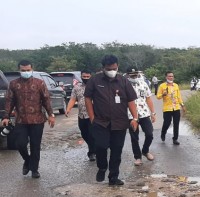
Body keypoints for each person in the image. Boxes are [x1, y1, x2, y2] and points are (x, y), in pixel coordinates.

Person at [84, 55, 139, 186]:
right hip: (100, 122)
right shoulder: (95, 80)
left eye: (114, 68)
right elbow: (87, 98)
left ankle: (113, 177)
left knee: (116, 150)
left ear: (117, 66)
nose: (112, 71)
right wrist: (92, 117)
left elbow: (131, 100)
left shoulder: (123, 81)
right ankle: (102, 167)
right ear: (103, 68)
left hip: (120, 123)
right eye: (109, 69)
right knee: (101, 147)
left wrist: (135, 118)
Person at [2, 60, 56, 179]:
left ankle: (34, 169)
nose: (25, 72)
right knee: (20, 144)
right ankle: (27, 160)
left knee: (35, 145)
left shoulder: (39, 83)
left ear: (31, 69)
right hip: (21, 120)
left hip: (37, 120)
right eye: (23, 70)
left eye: (27, 70)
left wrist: (51, 115)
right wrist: (6, 116)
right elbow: (9, 101)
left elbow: (46, 100)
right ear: (19, 70)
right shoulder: (13, 84)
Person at [125, 67, 156, 166]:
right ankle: (137, 157)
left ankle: (145, 151)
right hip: (130, 115)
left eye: (135, 74)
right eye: (132, 75)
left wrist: (153, 113)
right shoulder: (124, 85)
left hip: (144, 114)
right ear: (128, 75)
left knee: (149, 134)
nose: (134, 76)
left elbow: (148, 99)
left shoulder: (143, 84)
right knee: (134, 137)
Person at [65, 69, 95, 161]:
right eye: (84, 77)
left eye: (87, 77)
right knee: (84, 134)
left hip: (93, 115)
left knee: (91, 134)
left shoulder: (95, 86)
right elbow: (73, 99)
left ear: (91, 76)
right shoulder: (77, 87)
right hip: (81, 115)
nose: (86, 78)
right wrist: (68, 109)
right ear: (81, 77)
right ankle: (94, 147)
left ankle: (92, 152)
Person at [156, 71, 185, 145]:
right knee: (167, 123)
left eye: (172, 76)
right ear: (166, 77)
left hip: (176, 107)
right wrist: (163, 94)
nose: (171, 77)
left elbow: (179, 96)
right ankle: (163, 133)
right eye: (169, 76)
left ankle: (175, 139)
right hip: (167, 108)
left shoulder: (176, 85)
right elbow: (158, 97)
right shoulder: (162, 86)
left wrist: (182, 105)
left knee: (176, 124)